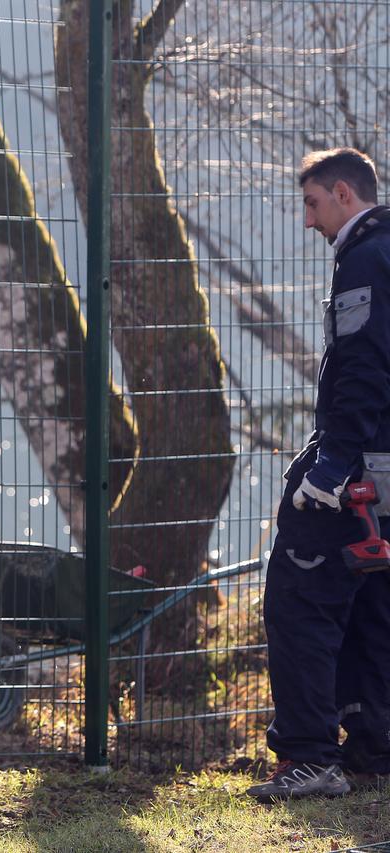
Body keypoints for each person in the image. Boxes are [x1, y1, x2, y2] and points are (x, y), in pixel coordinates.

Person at [249, 148, 390, 801]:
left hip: (357, 464)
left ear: (341, 192)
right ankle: (373, 747)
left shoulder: (363, 257)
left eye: (311, 204)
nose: (308, 221)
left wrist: (333, 462)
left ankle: (309, 754)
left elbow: (362, 365)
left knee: (299, 597)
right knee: (373, 606)